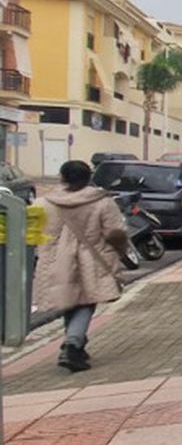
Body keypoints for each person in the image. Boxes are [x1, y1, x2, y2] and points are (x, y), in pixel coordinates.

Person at [35, 160, 128, 373]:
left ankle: (74, 343)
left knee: (71, 300)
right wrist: (120, 251)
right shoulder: (102, 202)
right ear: (89, 177)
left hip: (55, 259)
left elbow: (34, 230)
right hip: (92, 258)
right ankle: (73, 344)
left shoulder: (44, 203)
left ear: (62, 177)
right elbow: (115, 232)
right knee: (86, 302)